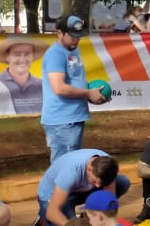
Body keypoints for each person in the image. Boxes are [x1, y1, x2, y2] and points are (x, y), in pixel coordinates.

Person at [41, 15, 105, 162]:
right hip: (62, 120)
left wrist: (91, 94)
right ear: (59, 33)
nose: (76, 39)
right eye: (72, 36)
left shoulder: (73, 49)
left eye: (78, 36)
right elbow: (59, 88)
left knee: (70, 162)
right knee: (64, 165)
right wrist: (88, 93)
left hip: (73, 117)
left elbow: (75, 80)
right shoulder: (55, 54)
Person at [31, 149, 130, 226]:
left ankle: (89, 213)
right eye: (95, 181)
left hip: (80, 190)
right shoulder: (70, 172)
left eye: (101, 183)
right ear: (89, 169)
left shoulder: (108, 166)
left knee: (122, 182)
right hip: (54, 196)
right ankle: (44, 223)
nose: (98, 186)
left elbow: (109, 201)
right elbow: (52, 211)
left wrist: (109, 225)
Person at [0, 35, 48, 115]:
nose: (22, 59)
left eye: (27, 54)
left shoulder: (43, 86)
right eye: (17, 54)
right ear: (7, 56)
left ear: (32, 56)